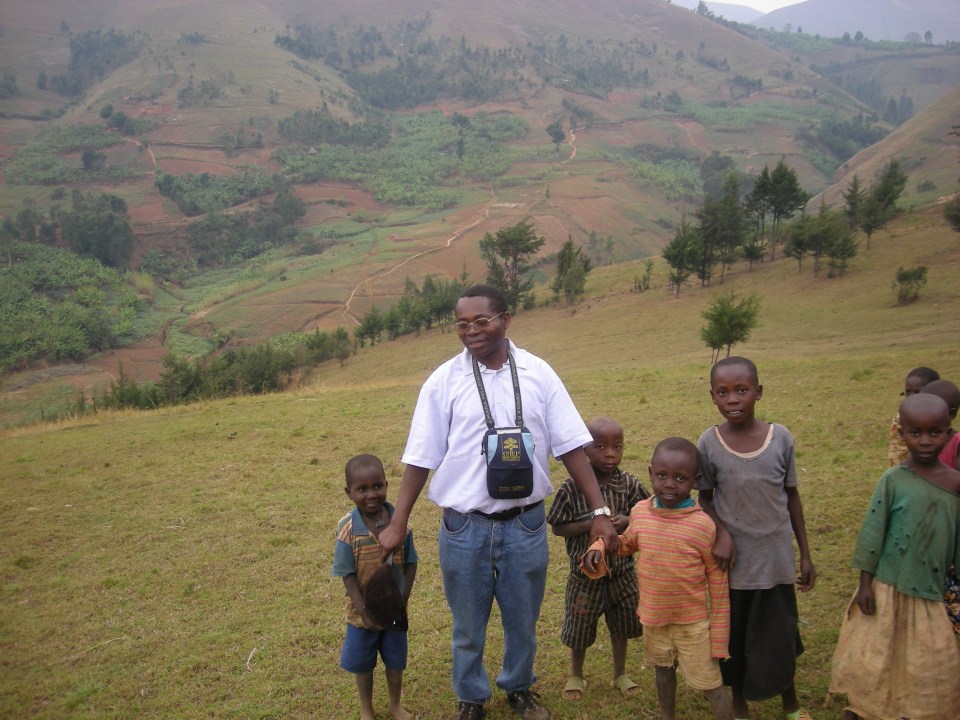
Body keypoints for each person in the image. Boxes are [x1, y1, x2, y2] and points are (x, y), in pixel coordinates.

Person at [378, 284, 619, 720]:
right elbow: (420, 457)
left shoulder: (539, 373)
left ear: (506, 319)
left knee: (522, 621)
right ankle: (471, 697)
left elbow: (570, 447)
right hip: (463, 526)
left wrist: (600, 511)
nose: (471, 331)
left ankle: (519, 688)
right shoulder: (443, 381)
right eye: (462, 324)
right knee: (468, 625)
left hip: (525, 524)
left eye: (481, 321)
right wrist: (398, 522)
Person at [696, 357, 816, 720]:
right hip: (733, 563)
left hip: (776, 559)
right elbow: (704, 496)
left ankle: (790, 703)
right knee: (735, 638)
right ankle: (739, 702)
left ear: (758, 392)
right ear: (713, 397)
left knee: (780, 632)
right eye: (723, 392)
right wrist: (722, 533)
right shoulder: (709, 442)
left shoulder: (780, 438)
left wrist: (805, 555)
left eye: (741, 390)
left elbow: (792, 496)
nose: (733, 399)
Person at [582, 437, 734, 720]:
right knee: (662, 671)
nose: (669, 484)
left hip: (693, 625)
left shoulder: (702, 524)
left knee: (710, 684)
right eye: (662, 476)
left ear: (696, 480)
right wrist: (600, 547)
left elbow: (718, 582)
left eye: (680, 478)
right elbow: (626, 544)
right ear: (651, 473)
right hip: (653, 618)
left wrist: (720, 637)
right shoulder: (640, 512)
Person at [828, 393, 960, 719]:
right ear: (902, 434)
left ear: (949, 433)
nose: (926, 441)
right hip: (886, 587)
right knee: (873, 655)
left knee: (930, 660)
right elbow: (873, 533)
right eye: (915, 433)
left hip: (931, 591)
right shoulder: (893, 480)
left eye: (935, 432)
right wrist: (865, 583)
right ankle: (863, 708)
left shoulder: (956, 485)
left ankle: (914, 708)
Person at [546, 416, 648, 702]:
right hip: (584, 577)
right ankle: (576, 674)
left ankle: (620, 673)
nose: (610, 453)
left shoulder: (629, 484)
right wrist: (590, 524)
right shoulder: (570, 487)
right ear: (584, 450)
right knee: (579, 627)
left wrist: (627, 519)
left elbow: (646, 515)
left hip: (622, 573)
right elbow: (556, 526)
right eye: (600, 446)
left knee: (622, 625)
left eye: (617, 446)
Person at [333, 454, 418, 720]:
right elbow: (346, 574)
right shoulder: (347, 529)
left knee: (395, 660)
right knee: (363, 664)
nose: (371, 494)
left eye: (377, 486)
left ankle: (395, 705)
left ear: (386, 485)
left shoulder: (400, 524)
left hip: (395, 611)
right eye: (362, 489)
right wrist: (364, 610)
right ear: (349, 493)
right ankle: (366, 709)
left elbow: (411, 563)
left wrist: (402, 600)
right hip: (361, 616)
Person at [887, 366, 939, 467]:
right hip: (904, 470)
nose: (911, 397)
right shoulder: (903, 417)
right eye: (908, 392)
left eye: (917, 392)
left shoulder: (937, 414)